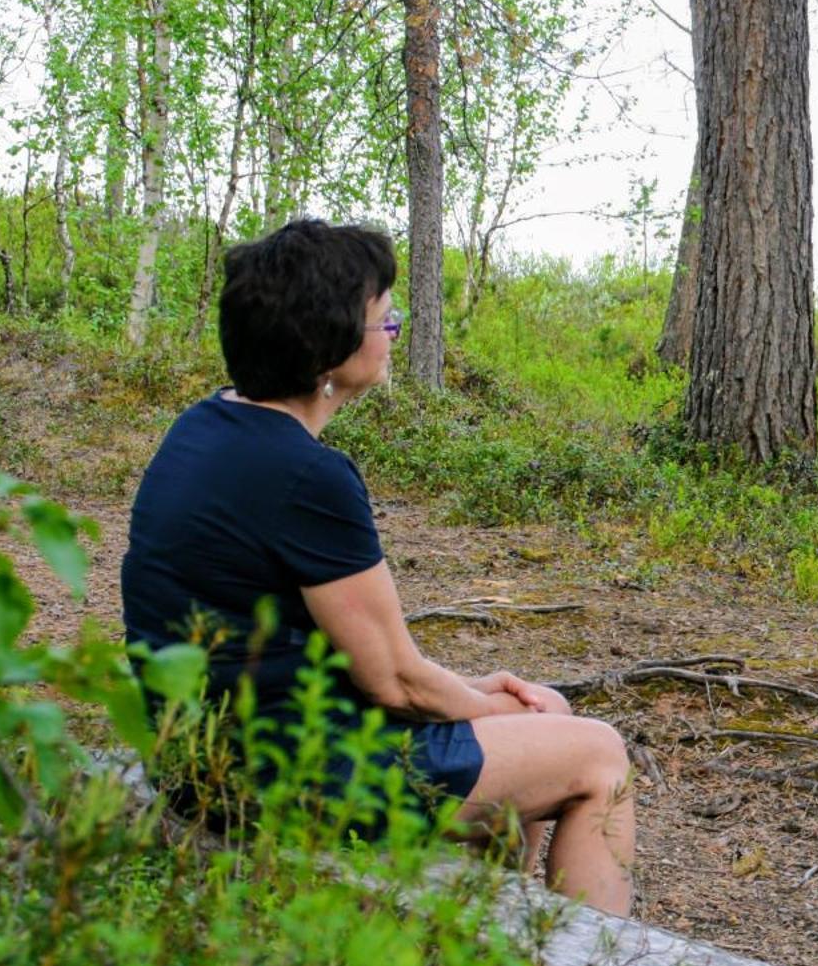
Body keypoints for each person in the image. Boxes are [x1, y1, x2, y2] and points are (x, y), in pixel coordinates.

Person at [121, 218, 634, 915]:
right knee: (596, 754)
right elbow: (394, 683)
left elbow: (322, 652)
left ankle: (477, 956)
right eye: (382, 319)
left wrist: (483, 696)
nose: (394, 331)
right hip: (281, 777)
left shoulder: (203, 429)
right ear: (326, 348)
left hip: (200, 757)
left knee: (539, 718)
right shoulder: (306, 475)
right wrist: (491, 704)